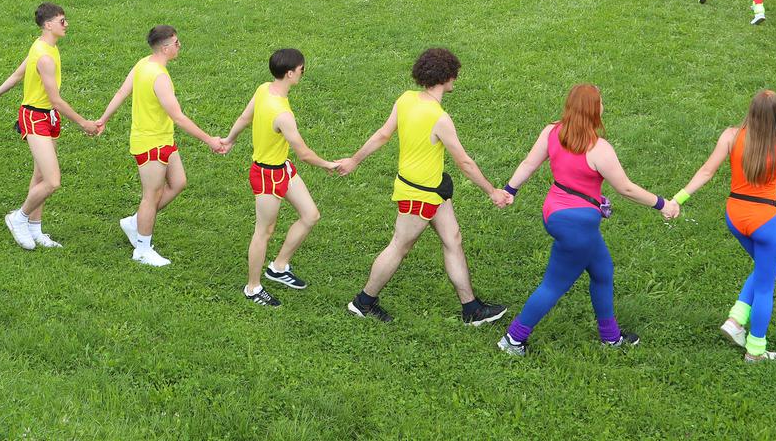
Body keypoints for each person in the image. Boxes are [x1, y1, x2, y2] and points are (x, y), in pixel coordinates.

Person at [497, 84, 678, 355]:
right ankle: (513, 339)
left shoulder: (552, 132)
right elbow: (625, 188)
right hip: (577, 225)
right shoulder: (599, 149)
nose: (603, 105)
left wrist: (510, 190)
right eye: (601, 102)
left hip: (555, 213)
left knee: (602, 271)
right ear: (595, 110)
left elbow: (528, 164)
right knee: (554, 284)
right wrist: (662, 204)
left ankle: (610, 337)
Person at [337, 48, 511, 325]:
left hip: (433, 188)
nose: (456, 79)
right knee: (398, 246)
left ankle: (471, 309)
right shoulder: (439, 118)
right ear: (446, 77)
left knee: (452, 239)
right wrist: (492, 191)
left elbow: (383, 134)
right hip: (420, 194)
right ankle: (363, 302)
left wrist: (354, 160)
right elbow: (464, 162)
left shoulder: (406, 99)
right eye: (455, 75)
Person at [671, 90, 776, 362]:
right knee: (766, 283)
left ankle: (736, 319)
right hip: (765, 222)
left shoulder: (730, 136)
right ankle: (755, 350)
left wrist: (679, 197)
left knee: (763, 268)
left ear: (751, 110)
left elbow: (707, 170)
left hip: (735, 216)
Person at [95, 25, 229, 268]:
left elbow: (122, 93)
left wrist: (103, 119)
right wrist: (209, 139)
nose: (179, 47)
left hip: (163, 139)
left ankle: (135, 223)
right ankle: (143, 249)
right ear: (165, 48)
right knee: (151, 196)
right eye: (177, 43)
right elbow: (178, 116)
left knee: (178, 182)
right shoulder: (159, 76)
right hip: (151, 143)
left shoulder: (143, 64)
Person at [219, 48, 343, 306]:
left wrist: (229, 140)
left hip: (281, 169)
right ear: (289, 73)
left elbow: (245, 117)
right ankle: (252, 288)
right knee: (264, 232)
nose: (303, 73)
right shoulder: (283, 114)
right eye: (301, 69)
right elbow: (304, 153)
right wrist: (327, 165)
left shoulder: (264, 88)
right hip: (266, 175)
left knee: (311, 215)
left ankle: (278, 267)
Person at [0, 2, 102, 250]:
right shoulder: (45, 56)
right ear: (48, 25)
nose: (66, 24)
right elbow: (56, 100)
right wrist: (84, 123)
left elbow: (18, 75)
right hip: (35, 117)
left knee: (39, 175)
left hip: (47, 118)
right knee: (52, 181)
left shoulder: (43, 46)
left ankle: (35, 229)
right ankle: (19, 218)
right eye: (62, 21)